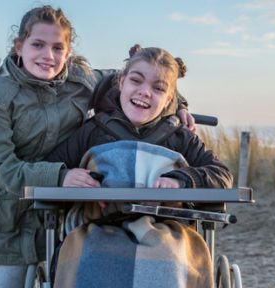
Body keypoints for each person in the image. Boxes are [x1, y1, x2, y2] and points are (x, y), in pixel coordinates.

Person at [0, 6, 195, 287]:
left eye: (58, 48)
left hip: (39, 213)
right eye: (38, 45)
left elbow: (145, 74)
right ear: (19, 47)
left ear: (68, 53)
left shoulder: (82, 80)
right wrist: (60, 177)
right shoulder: (0, 93)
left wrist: (178, 104)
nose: (48, 56)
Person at [43, 45, 233, 287]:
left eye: (158, 88)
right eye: (136, 81)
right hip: (98, 228)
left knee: (172, 263)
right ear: (121, 82)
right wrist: (65, 175)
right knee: (90, 258)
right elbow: (49, 166)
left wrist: (181, 179)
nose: (145, 92)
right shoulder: (94, 130)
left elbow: (222, 175)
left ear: (169, 100)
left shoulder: (180, 138)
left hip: (166, 232)